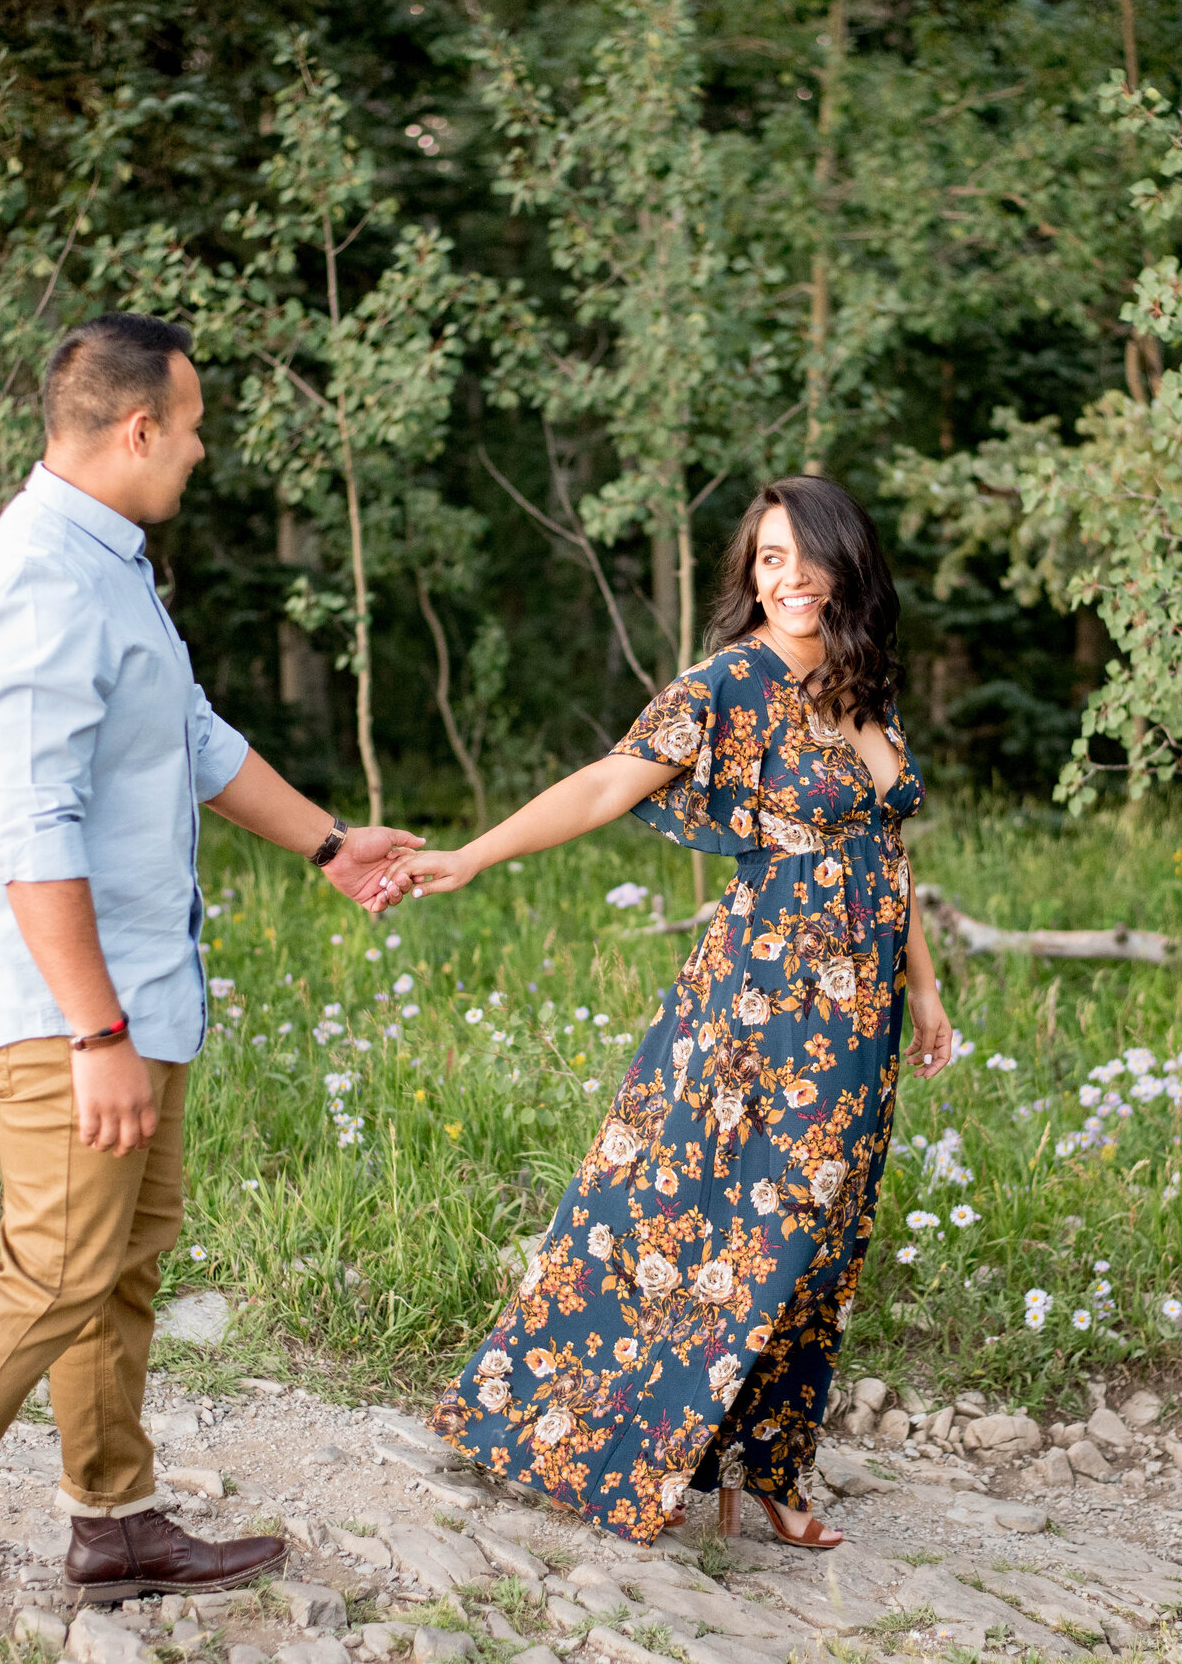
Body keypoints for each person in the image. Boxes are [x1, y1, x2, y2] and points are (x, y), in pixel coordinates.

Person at [0, 312, 422, 1664]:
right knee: (51, 1272)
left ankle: (112, 1517)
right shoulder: (41, 582)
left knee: (119, 1267)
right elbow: (27, 825)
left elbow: (186, 737)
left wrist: (325, 841)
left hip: (137, 992)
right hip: (76, 1007)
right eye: (190, 430)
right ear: (135, 429)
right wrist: (97, 1030)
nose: (198, 453)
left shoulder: (110, 569)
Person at [394, 475, 953, 1548]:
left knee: (824, 1244)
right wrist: (469, 854)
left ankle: (770, 1468)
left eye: (804, 555)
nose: (785, 578)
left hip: (863, 1016)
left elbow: (887, 848)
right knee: (704, 1217)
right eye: (767, 558)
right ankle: (580, 1435)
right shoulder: (727, 686)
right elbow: (606, 784)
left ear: (847, 562)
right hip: (763, 1005)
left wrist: (923, 990)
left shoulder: (863, 685)